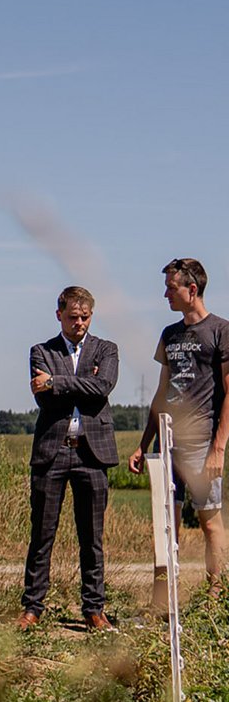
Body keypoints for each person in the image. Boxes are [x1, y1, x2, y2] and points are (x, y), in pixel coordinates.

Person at [18, 286, 119, 631]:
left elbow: (103, 386)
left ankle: (93, 608)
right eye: (73, 316)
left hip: (92, 453)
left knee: (92, 537)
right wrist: (80, 383)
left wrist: (57, 382)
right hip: (53, 451)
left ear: (92, 316)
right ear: (59, 314)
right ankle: (32, 607)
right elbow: (44, 397)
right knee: (42, 534)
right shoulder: (40, 351)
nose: (79, 323)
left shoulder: (106, 349)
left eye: (85, 317)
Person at [129, 258, 229, 603]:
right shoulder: (169, 335)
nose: (165, 294)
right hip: (166, 443)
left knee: (210, 523)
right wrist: (143, 444)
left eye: (171, 288)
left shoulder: (220, 330)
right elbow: (161, 392)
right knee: (163, 526)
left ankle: (216, 597)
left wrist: (219, 449)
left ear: (192, 289)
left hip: (202, 444)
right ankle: (162, 600)